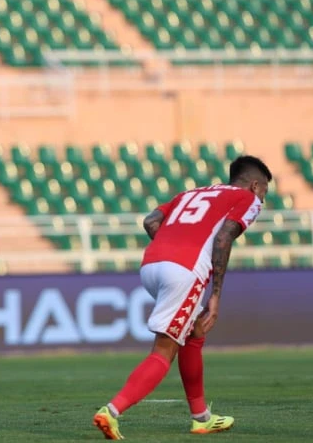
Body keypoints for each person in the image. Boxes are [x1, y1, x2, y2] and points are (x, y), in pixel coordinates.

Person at [93, 155, 272, 440]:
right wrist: (215, 294)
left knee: (194, 332)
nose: (262, 199)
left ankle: (201, 418)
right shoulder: (247, 198)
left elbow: (150, 221)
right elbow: (223, 239)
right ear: (255, 185)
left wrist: (172, 247)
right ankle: (111, 411)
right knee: (163, 351)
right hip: (184, 271)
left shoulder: (190, 193)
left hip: (151, 265)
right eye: (264, 192)